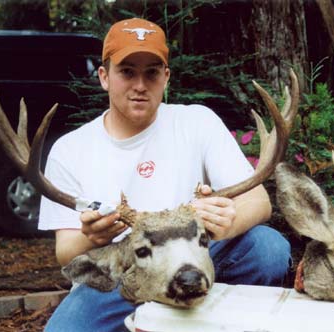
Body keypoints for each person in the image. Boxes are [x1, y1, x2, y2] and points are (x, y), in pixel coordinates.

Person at [39, 17, 291, 332]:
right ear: (104, 76)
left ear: (166, 77)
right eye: (127, 72)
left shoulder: (197, 122)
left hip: (192, 258)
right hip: (124, 269)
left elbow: (258, 202)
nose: (140, 85)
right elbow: (65, 252)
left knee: (267, 248)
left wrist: (227, 221)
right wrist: (93, 236)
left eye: (152, 73)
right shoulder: (70, 150)